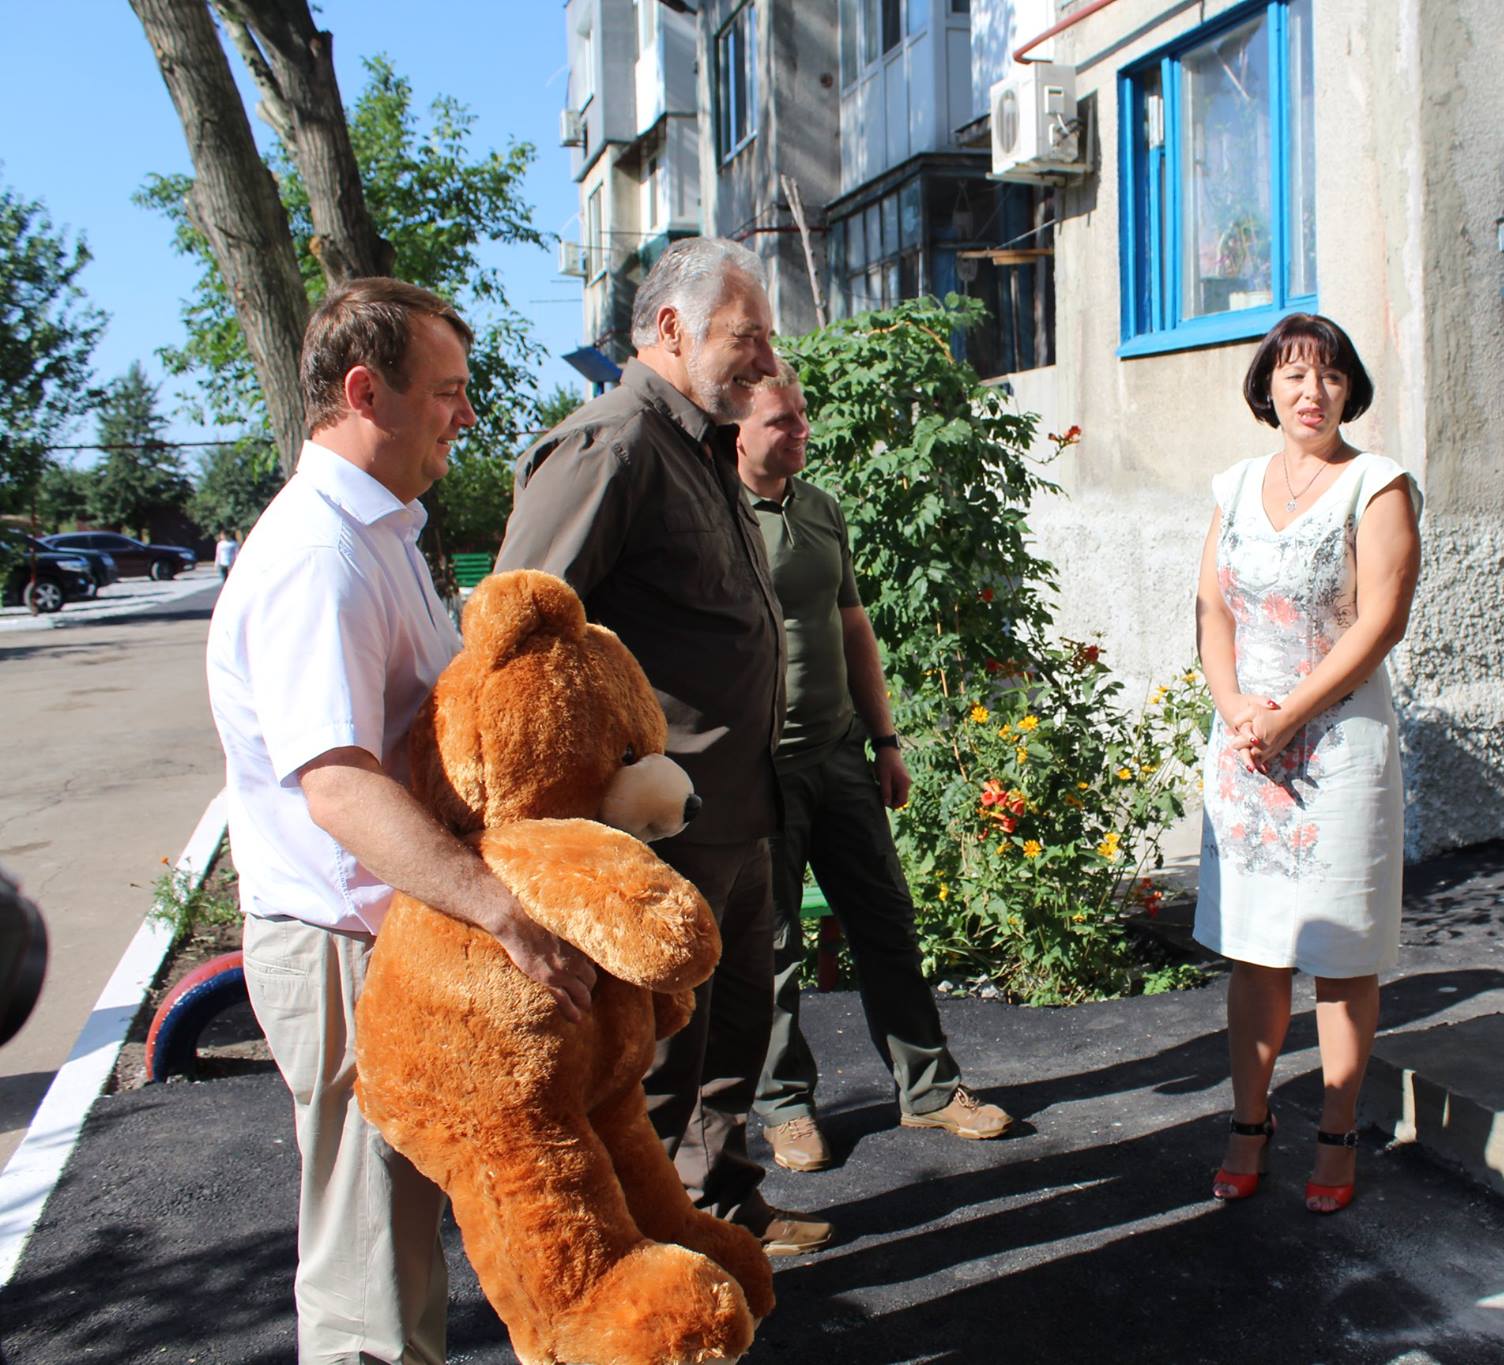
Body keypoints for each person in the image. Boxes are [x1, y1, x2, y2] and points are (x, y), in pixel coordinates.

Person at [207, 277, 597, 1364]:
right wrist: (503, 913)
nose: (465, 413)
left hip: (389, 933)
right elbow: (336, 783)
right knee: (368, 1276)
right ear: (363, 392)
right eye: (446, 391)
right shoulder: (319, 556)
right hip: (342, 947)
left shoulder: (376, 531)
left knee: (402, 1243)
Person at [494, 238, 833, 1256]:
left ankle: (720, 1212)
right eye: (747, 334)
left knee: (732, 1038)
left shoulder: (697, 444)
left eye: (767, 336)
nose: (765, 357)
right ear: (673, 328)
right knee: (651, 1062)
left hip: (737, 809)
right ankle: (637, 1264)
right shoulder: (613, 445)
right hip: (657, 832)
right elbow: (517, 640)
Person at [735, 361, 1013, 1174]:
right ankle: (785, 1106)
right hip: (759, 770)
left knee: (887, 921)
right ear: (737, 430)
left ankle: (928, 1088)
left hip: (840, 753)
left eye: (802, 415)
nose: (801, 430)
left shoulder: (819, 507)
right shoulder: (716, 514)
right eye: (782, 420)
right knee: (772, 946)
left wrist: (885, 740)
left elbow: (852, 624)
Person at [1193, 312, 1421, 1216]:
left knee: (1339, 952)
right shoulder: (1235, 484)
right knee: (1256, 949)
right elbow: (1212, 610)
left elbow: (1381, 622)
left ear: (1349, 387)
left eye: (1328, 374)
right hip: (1249, 747)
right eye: (1292, 373)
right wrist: (1235, 708)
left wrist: (1289, 712)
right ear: (1268, 388)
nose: (1310, 390)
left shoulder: (1377, 483)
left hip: (1337, 749)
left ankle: (1336, 1130)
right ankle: (1248, 1124)